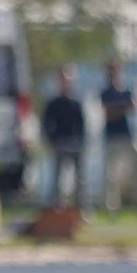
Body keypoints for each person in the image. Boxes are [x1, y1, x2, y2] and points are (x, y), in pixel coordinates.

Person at [100, 58, 137, 217]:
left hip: (129, 137)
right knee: (110, 176)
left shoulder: (127, 91)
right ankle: (111, 210)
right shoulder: (105, 93)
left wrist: (126, 105)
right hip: (111, 139)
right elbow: (109, 113)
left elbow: (136, 106)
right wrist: (124, 106)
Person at [41, 65, 87, 210]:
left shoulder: (76, 103)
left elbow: (82, 125)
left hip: (75, 145)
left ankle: (80, 208)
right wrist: (51, 142)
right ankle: (55, 207)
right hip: (59, 145)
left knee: (79, 180)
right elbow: (46, 125)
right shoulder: (53, 104)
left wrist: (82, 141)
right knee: (57, 180)